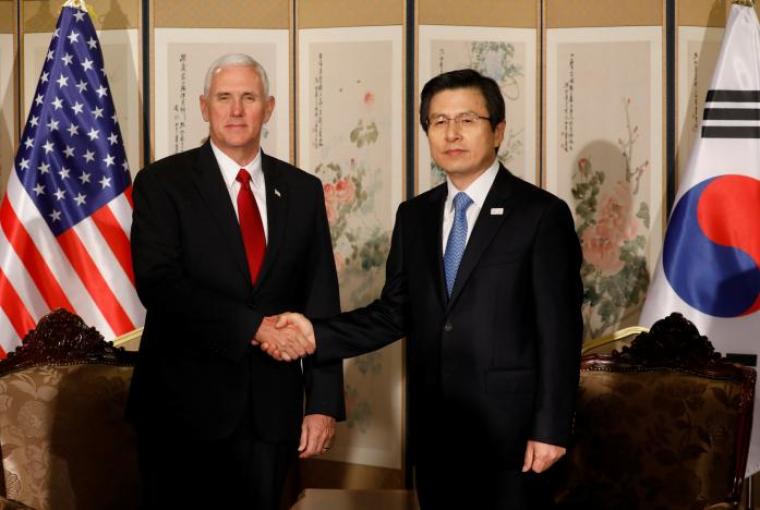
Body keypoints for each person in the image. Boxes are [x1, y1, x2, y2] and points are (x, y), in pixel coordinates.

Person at [262, 69, 583, 509]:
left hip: (514, 438)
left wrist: (550, 429)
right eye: (438, 122)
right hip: (434, 437)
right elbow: (395, 312)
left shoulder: (541, 215)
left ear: (498, 131)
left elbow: (560, 331)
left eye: (468, 120)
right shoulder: (414, 216)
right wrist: (315, 334)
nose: (452, 133)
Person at [126, 53, 344, 509]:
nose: (237, 110)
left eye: (248, 98)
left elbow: (321, 298)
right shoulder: (163, 183)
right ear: (205, 107)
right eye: (224, 98)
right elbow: (160, 285)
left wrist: (322, 403)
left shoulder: (302, 191)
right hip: (181, 412)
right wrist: (254, 328)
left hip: (271, 414)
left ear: (269, 107)